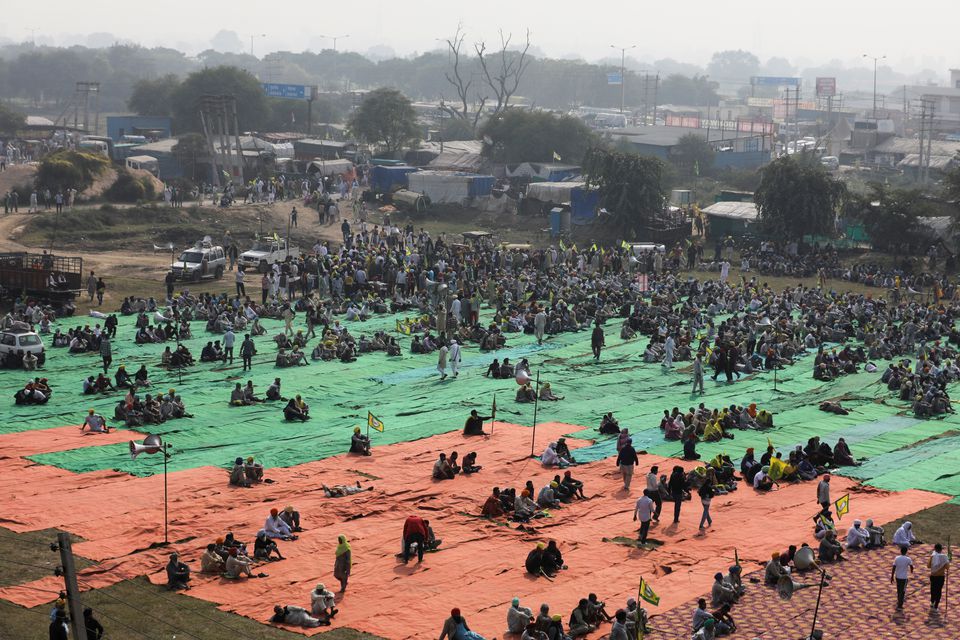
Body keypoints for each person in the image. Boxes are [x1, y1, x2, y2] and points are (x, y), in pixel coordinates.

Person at [891, 545, 914, 610]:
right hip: (904, 578)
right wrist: (911, 570)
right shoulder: (908, 559)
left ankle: (899, 602)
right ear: (906, 552)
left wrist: (892, 576)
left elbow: (894, 567)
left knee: (899, 590)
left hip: (897, 577)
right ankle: (900, 605)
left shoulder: (897, 558)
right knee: (902, 591)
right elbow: (911, 566)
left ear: (900, 551)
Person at [929, 543, 950, 611]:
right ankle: (936, 606)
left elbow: (928, 566)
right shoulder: (944, 557)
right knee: (938, 591)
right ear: (941, 549)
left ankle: (932, 602)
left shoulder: (932, 556)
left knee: (933, 589)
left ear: (935, 549)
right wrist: (947, 561)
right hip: (940, 577)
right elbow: (947, 567)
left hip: (933, 576)